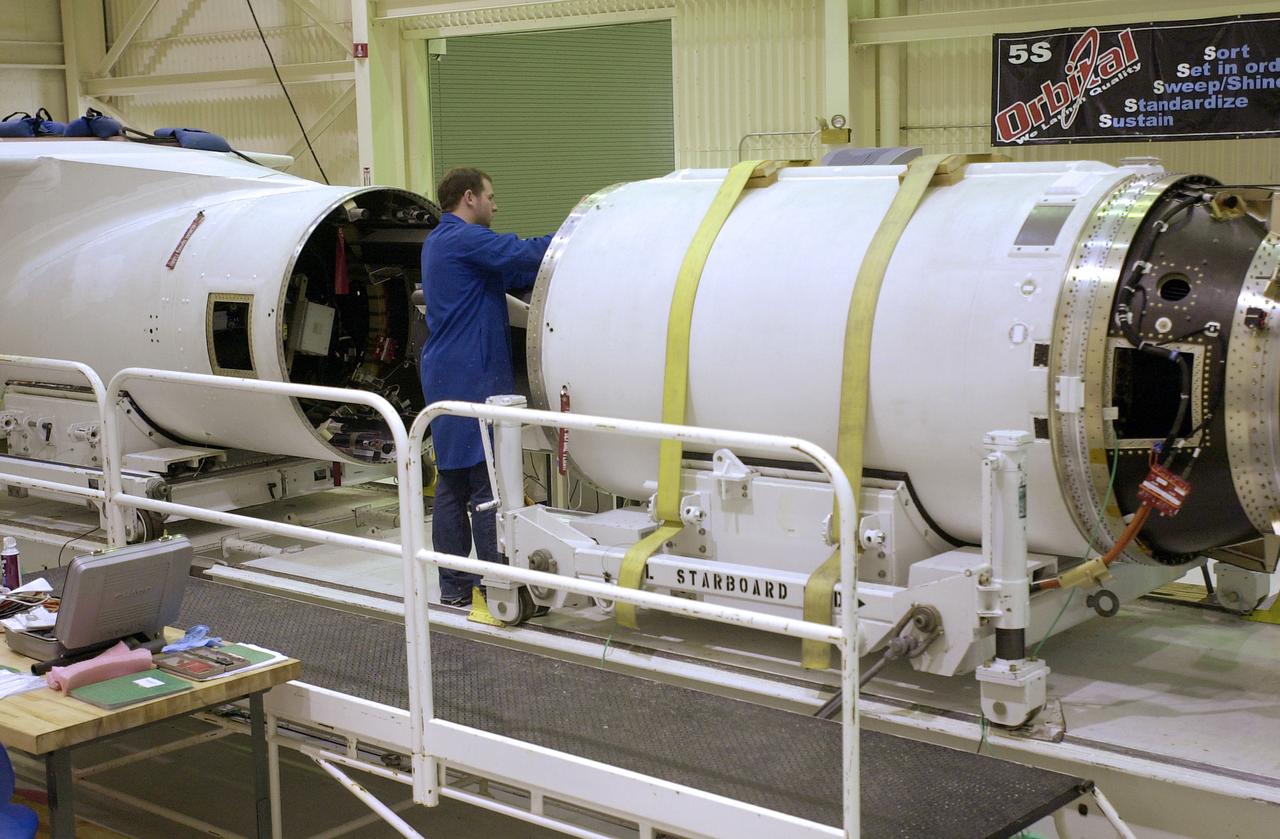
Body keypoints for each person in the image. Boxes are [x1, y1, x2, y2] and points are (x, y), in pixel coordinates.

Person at [420, 167, 553, 607]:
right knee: (481, 484)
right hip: (468, 376)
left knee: (455, 483)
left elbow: (513, 273)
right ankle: (492, 583)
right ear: (469, 198)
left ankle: (456, 585)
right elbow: (519, 254)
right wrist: (578, 234)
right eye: (491, 197)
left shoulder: (444, 242)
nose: (496, 206)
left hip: (452, 372)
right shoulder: (462, 239)